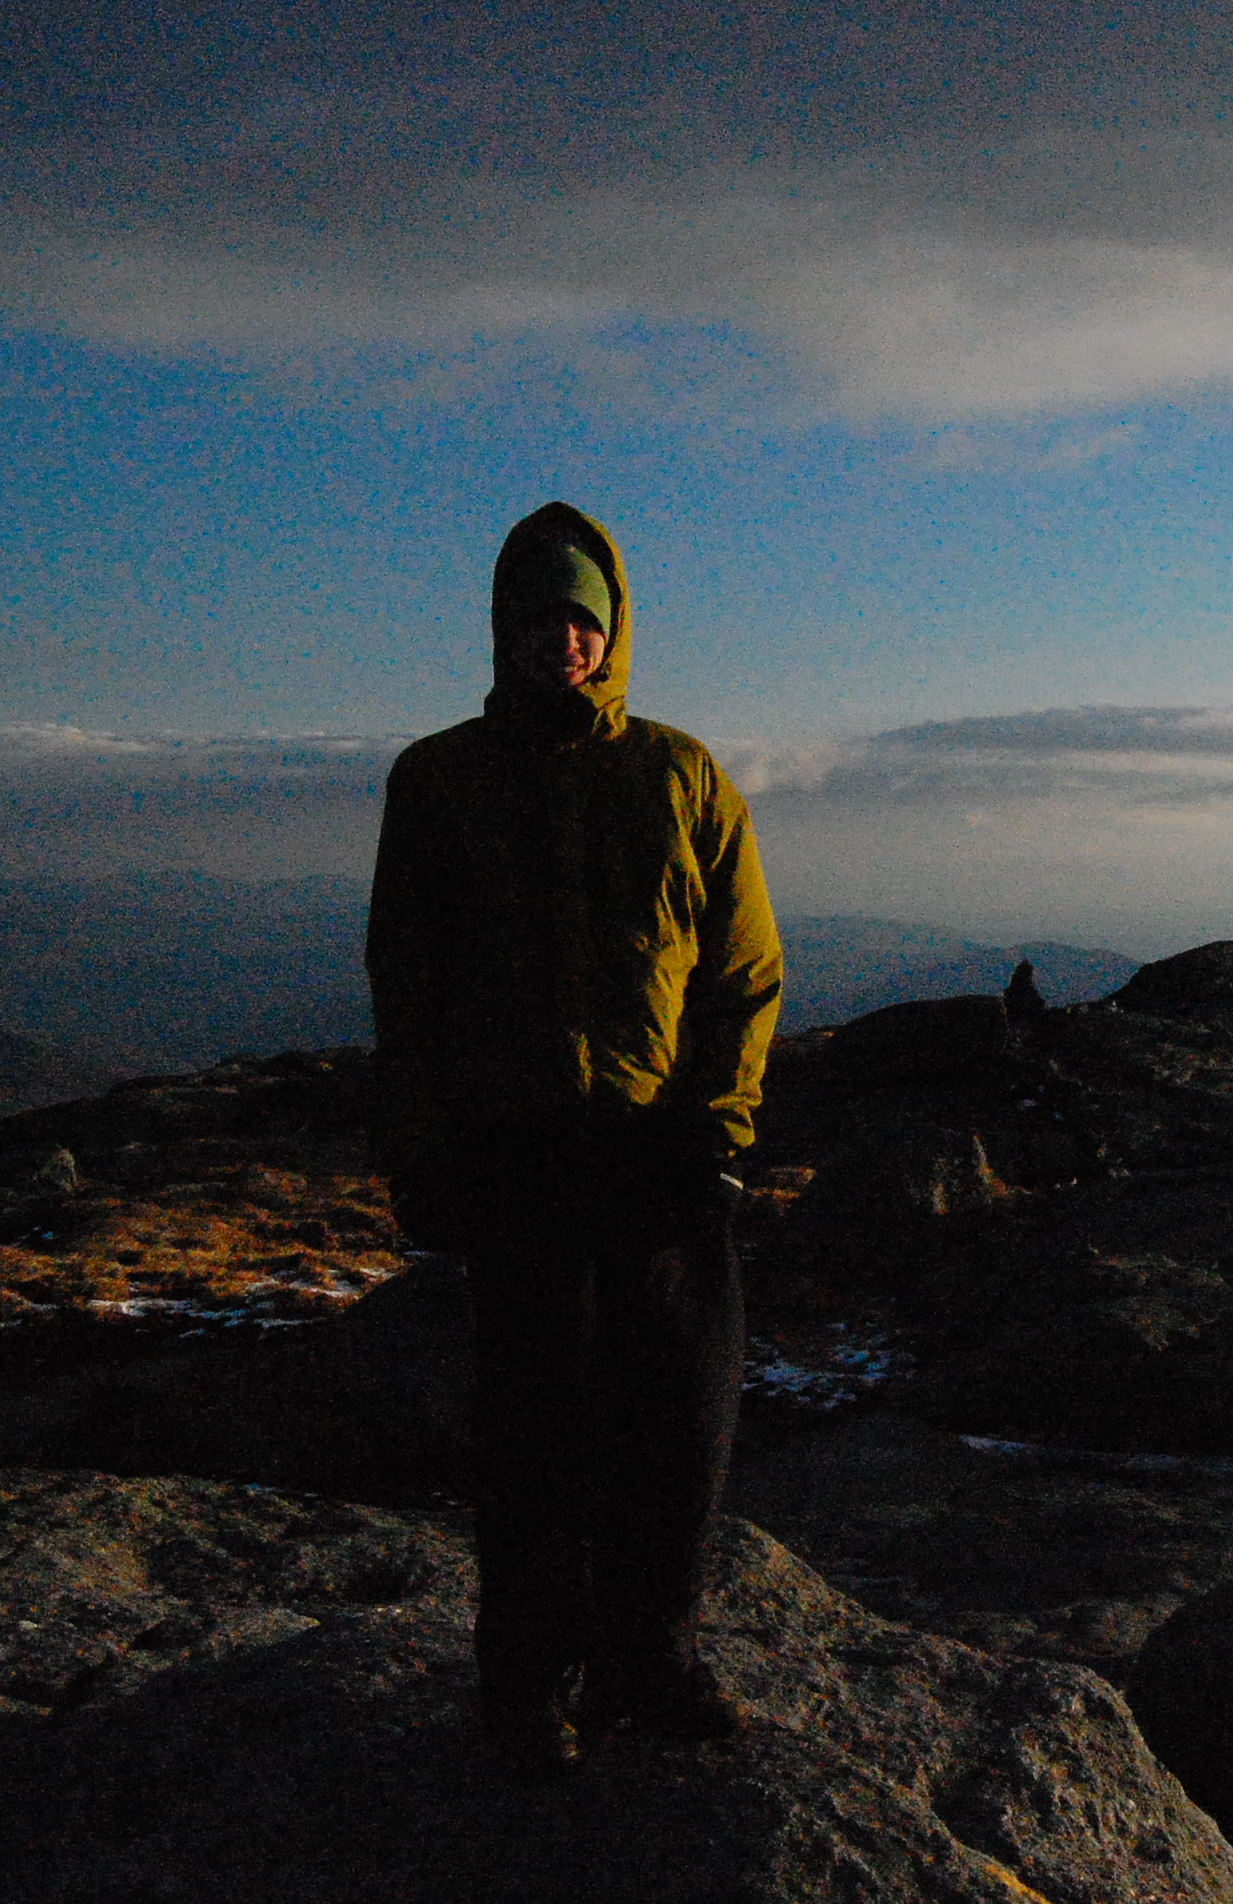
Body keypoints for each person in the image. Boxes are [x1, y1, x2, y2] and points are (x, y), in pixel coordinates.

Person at [365, 501, 781, 1776]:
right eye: (541, 616)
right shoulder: (438, 777)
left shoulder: (682, 771)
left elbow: (743, 970)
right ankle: (525, 1682)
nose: (564, 638)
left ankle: (649, 1664)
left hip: (655, 1149)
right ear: (504, 628)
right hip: (515, 1147)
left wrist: (714, 1132)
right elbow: (407, 972)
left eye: (583, 619)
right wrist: (423, 1145)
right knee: (535, 1432)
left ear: (614, 634)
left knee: (681, 1420)